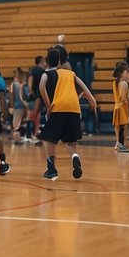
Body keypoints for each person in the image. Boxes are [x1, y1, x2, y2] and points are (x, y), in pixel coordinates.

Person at [38, 45, 98, 180]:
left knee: (48, 139)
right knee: (70, 141)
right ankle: (75, 156)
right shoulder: (70, 73)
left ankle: (51, 169)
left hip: (58, 107)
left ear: (47, 61)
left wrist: (49, 105)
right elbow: (83, 86)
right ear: (59, 61)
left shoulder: (46, 74)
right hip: (74, 108)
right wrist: (92, 100)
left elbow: (42, 88)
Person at [112, 62, 129, 153]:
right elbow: (123, 97)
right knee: (123, 127)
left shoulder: (116, 83)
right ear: (121, 74)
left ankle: (119, 144)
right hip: (122, 107)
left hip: (117, 106)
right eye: (126, 72)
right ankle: (121, 144)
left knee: (120, 127)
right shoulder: (124, 83)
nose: (128, 74)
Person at [9, 68, 26, 146]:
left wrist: (12, 105)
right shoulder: (20, 84)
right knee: (17, 123)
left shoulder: (14, 84)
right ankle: (16, 138)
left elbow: (11, 96)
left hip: (17, 105)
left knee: (16, 123)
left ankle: (16, 138)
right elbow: (21, 96)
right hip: (20, 105)